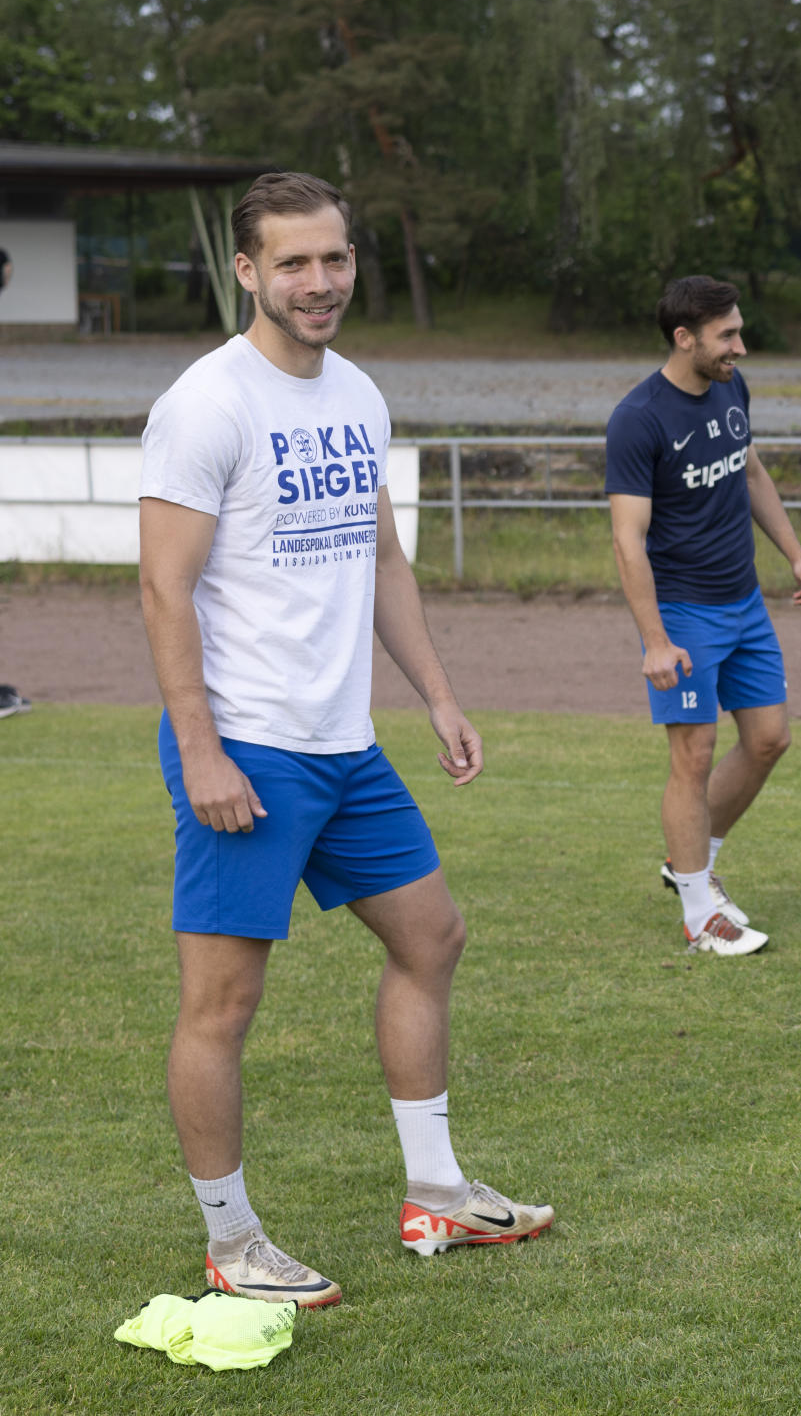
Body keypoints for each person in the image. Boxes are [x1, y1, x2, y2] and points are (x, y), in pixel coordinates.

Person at [139, 171, 553, 1308]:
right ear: (246, 272)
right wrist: (206, 750)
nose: (320, 283)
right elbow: (165, 593)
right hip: (249, 747)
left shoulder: (358, 395)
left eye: (336, 259)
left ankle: (437, 1189)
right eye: (294, 263)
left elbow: (378, 559)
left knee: (433, 935)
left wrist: (438, 694)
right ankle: (231, 1243)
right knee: (221, 1004)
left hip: (345, 744)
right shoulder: (207, 403)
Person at [605, 275, 801, 956]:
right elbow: (626, 539)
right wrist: (654, 640)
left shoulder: (731, 388)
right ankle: (701, 913)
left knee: (768, 739)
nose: (742, 346)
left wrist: (797, 555)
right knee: (693, 755)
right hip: (683, 613)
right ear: (684, 337)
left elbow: (750, 473)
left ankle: (690, 861)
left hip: (745, 602)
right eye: (727, 334)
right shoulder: (638, 419)